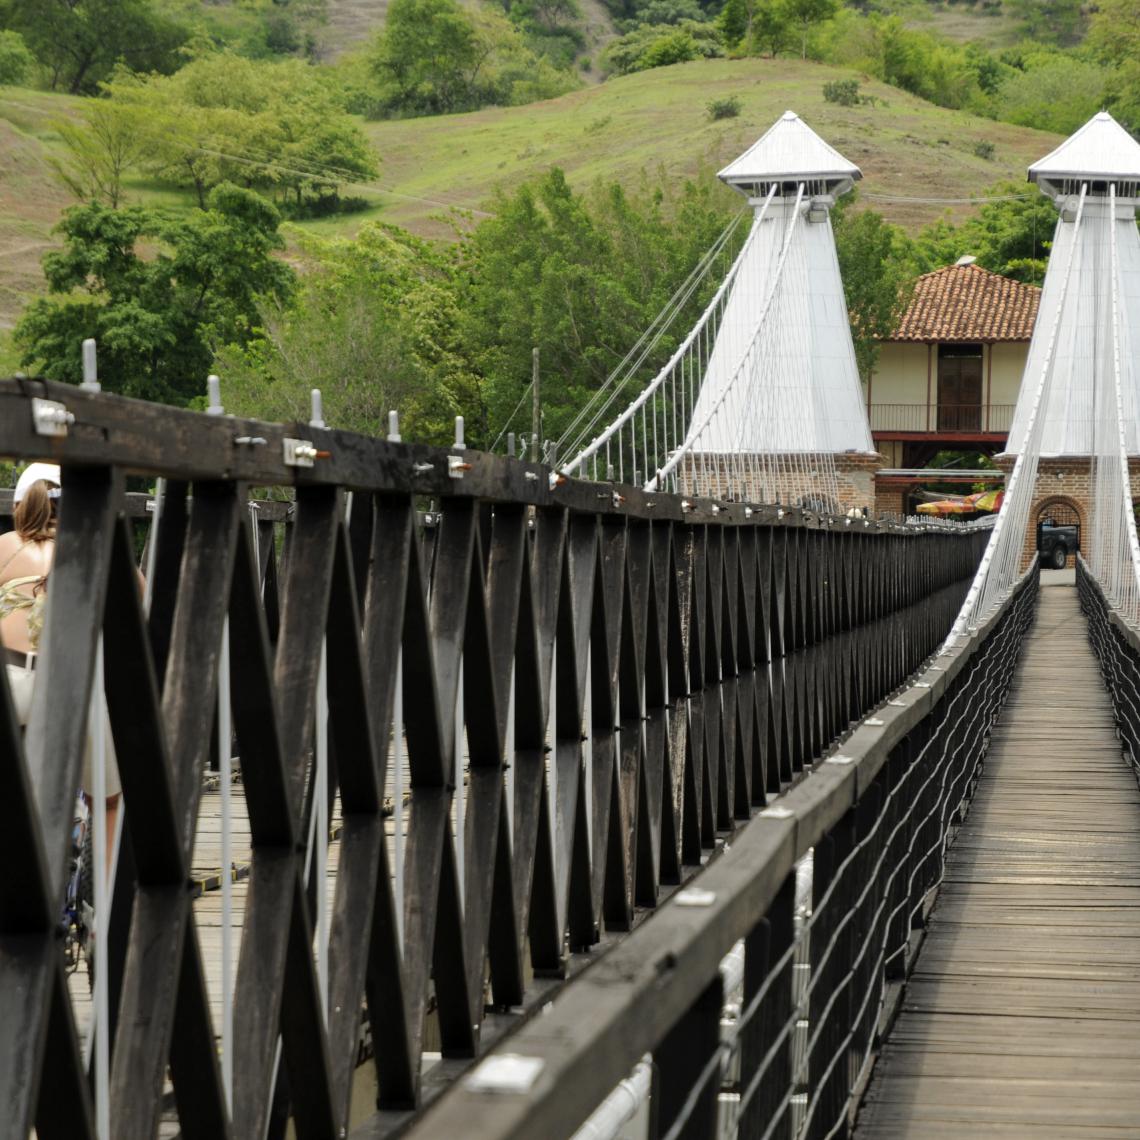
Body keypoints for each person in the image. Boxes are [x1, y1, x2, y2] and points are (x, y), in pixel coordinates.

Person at [1, 463, 121, 874]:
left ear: (19, 506)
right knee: (109, 800)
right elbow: (137, 606)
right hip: (66, 687)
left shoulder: (3, 546)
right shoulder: (88, 548)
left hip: (10, 683)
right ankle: (104, 896)